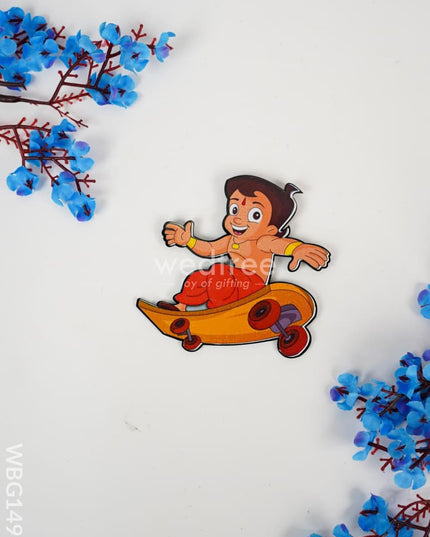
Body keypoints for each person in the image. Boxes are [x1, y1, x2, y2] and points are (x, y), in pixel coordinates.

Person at [158, 175, 330, 310]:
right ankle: (181, 306)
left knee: (219, 272)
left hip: (254, 287)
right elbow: (209, 248)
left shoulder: (263, 241)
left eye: (255, 215)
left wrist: (296, 248)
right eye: (234, 209)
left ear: (270, 229)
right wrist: (189, 241)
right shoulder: (230, 240)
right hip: (233, 284)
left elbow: (280, 245)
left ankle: (220, 310)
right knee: (201, 276)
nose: (238, 219)